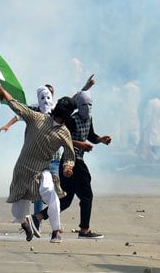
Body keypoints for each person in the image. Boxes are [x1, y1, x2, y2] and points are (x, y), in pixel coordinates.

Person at [0, 77, 77, 243]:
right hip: (23, 168)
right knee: (18, 209)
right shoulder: (36, 117)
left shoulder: (64, 132)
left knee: (51, 194)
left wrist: (68, 166)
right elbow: (14, 104)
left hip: (42, 170)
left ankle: (56, 231)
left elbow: (69, 153)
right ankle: (25, 223)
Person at [34, 90, 111, 239]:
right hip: (72, 160)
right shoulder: (72, 120)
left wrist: (101, 139)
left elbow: (91, 136)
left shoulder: (89, 119)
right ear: (78, 106)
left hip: (74, 161)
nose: (87, 108)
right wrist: (80, 145)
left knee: (66, 200)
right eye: (83, 105)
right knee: (87, 195)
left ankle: (37, 217)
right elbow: (63, 139)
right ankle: (84, 229)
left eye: (90, 105)